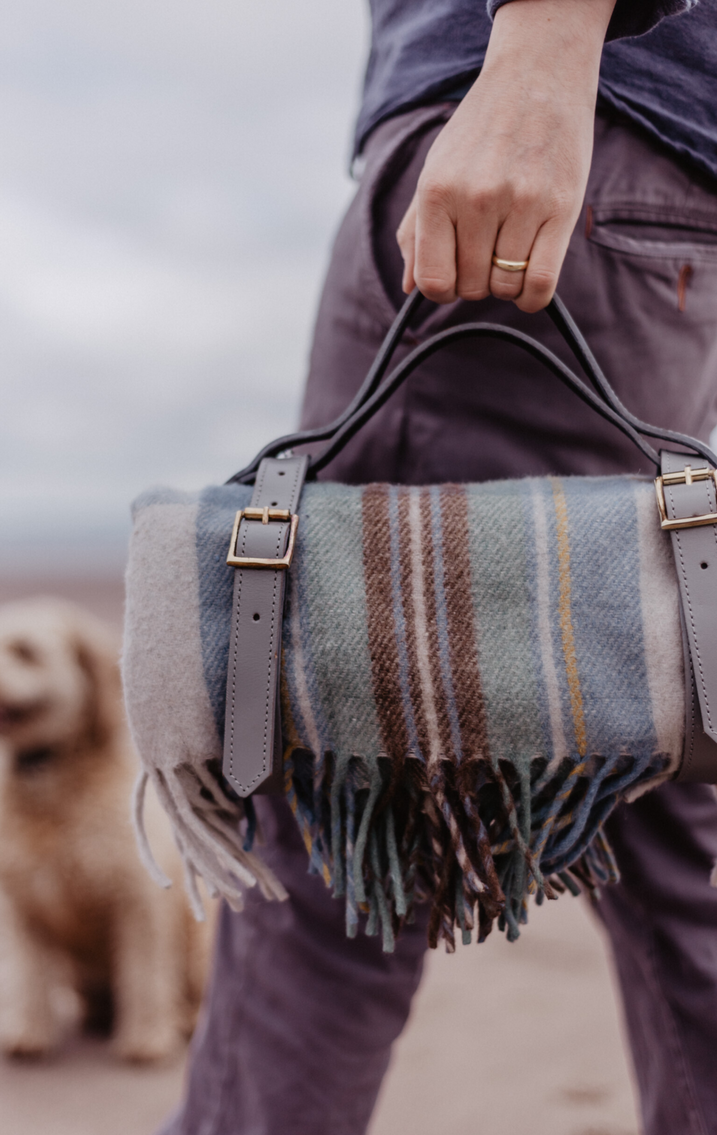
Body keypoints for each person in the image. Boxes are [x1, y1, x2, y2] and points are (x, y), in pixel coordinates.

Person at [161, 0, 717, 1132]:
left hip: (546, 131)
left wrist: (537, 59)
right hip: (664, 181)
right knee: (661, 738)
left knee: (339, 802)